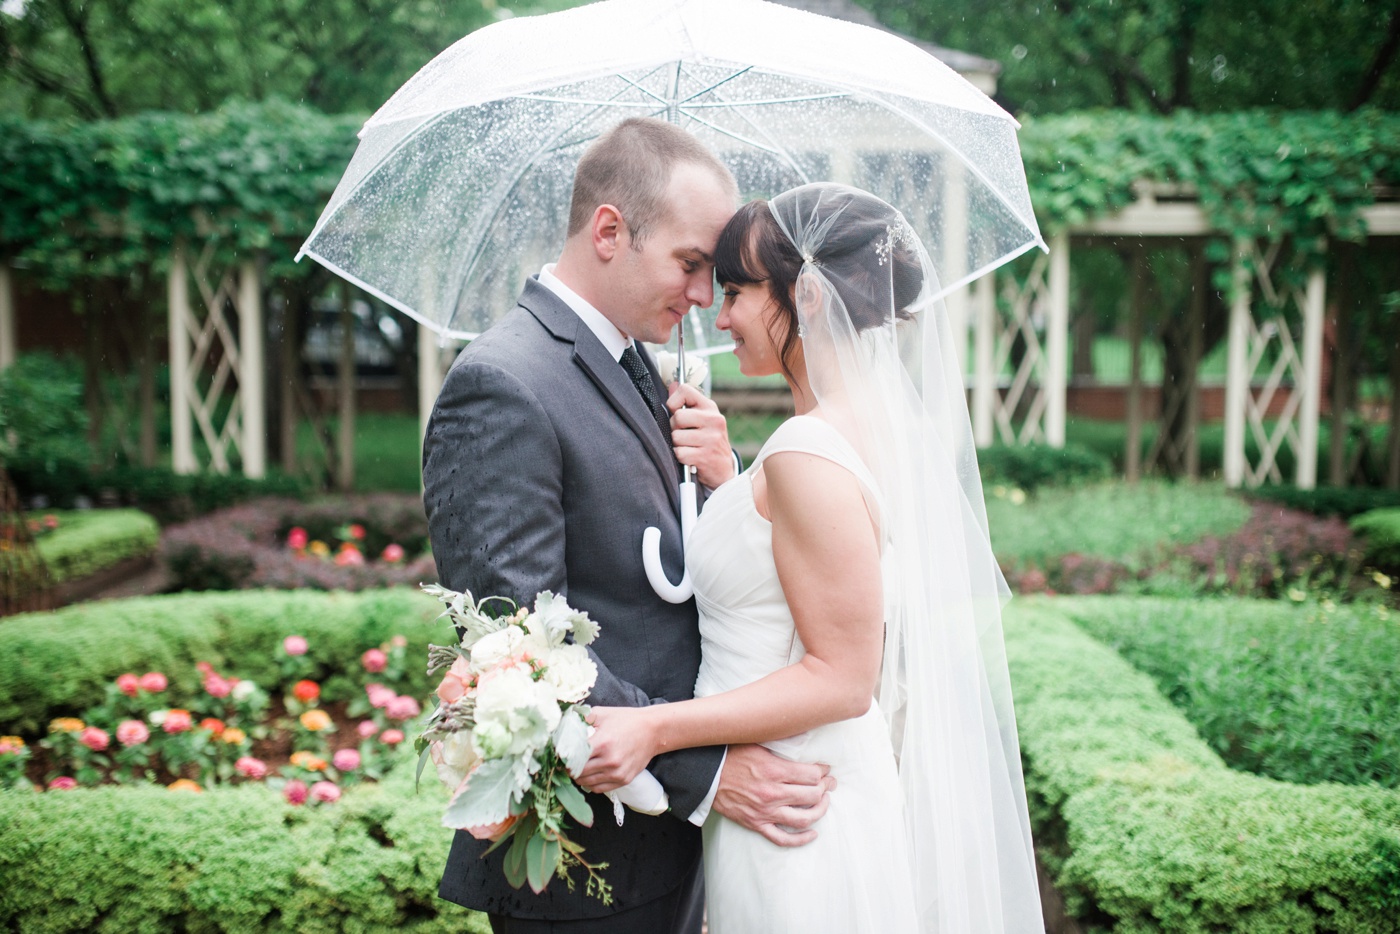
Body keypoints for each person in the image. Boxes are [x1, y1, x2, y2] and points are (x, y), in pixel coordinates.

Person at [582, 183, 1047, 933]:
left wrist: (654, 730)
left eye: (736, 291)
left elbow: (841, 676)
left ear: (809, 297)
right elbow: (799, 567)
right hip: (816, 788)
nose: (718, 313)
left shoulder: (805, 453)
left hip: (793, 806)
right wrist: (730, 483)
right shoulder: (865, 430)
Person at [422, 118, 835, 934]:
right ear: (610, 230)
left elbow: (665, 574)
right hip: (584, 869)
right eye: (689, 265)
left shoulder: (633, 361)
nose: (700, 299)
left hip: (663, 847)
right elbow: (525, 649)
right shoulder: (504, 384)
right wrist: (708, 772)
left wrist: (720, 480)